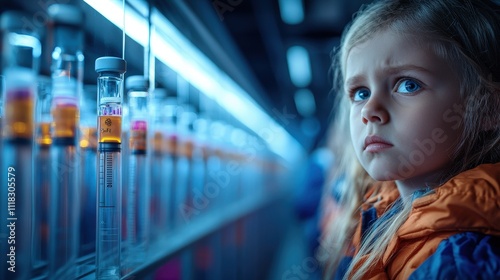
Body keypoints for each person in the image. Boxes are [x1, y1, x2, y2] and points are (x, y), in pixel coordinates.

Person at [320, 0, 500, 279]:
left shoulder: (465, 260)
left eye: (408, 85)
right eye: (360, 93)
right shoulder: (376, 211)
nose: (369, 111)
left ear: (489, 109)